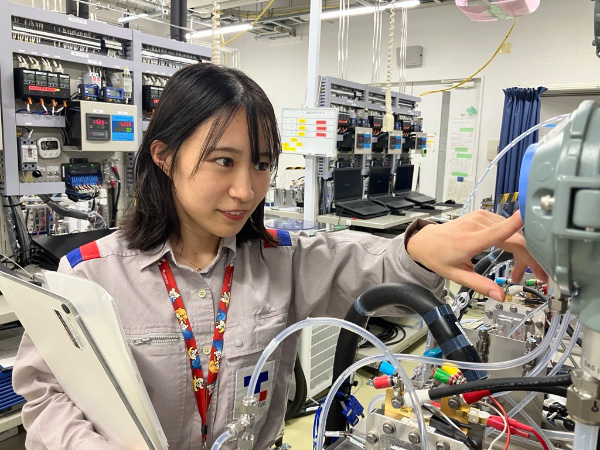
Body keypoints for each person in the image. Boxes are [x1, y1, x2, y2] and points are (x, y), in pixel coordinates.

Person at [13, 63, 545, 450]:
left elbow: (380, 265)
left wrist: (420, 246)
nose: (246, 190)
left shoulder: (281, 261)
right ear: (164, 156)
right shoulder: (88, 275)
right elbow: (47, 395)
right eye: (224, 161)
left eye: (263, 164)